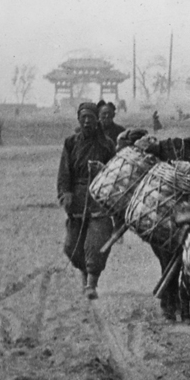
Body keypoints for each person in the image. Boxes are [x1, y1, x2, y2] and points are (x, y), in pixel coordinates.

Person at [57, 101, 116, 300]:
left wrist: (102, 170)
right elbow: (64, 173)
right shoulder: (71, 143)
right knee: (72, 247)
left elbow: (116, 173)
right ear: (79, 119)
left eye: (91, 117)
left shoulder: (107, 144)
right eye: (84, 118)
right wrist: (66, 193)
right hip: (77, 198)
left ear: (97, 119)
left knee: (97, 242)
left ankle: (92, 283)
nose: (87, 121)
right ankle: (85, 272)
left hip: (100, 198)